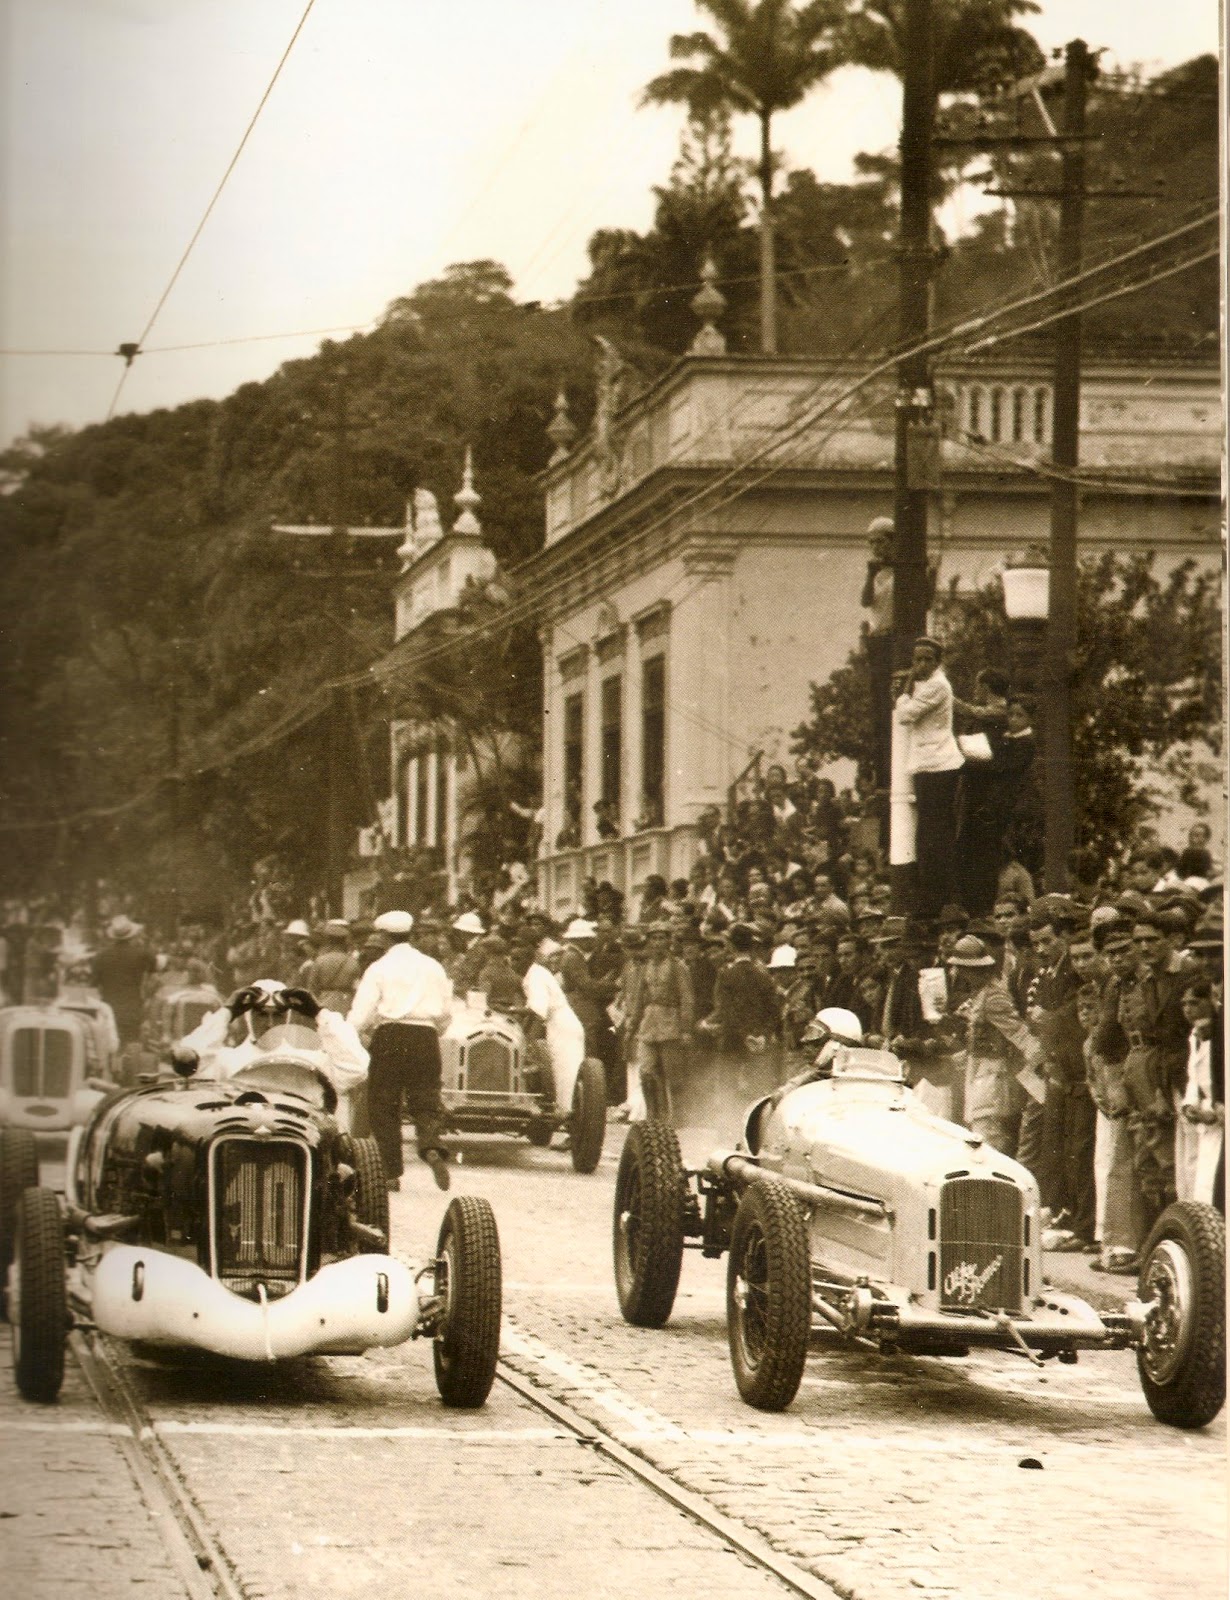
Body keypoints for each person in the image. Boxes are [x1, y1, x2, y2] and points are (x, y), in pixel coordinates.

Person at [347, 910, 454, 1192]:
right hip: (426, 1036)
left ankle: (390, 1171)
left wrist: (352, 1034)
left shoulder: (379, 968)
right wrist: (434, 1030)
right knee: (427, 1098)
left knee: (384, 1104)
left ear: (383, 937)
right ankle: (431, 1147)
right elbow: (445, 1012)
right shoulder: (433, 966)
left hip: (391, 1035)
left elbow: (360, 1015)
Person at [176, 978, 368, 1110]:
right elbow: (190, 1060)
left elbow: (355, 1069)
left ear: (288, 1016)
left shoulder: (308, 1062)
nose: (269, 1024)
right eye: (261, 1015)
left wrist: (320, 1013)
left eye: (278, 1015)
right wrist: (227, 1012)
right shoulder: (227, 1061)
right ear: (248, 1017)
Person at [893, 637, 964, 919]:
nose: (921, 665)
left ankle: (935, 897)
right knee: (929, 832)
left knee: (934, 833)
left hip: (938, 764)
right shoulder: (926, 684)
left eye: (927, 660)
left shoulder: (937, 684)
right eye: (917, 660)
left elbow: (906, 715)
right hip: (927, 763)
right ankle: (931, 895)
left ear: (937, 662)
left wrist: (902, 693)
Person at [947, 934, 1035, 1157]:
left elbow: (1019, 1034)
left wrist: (1036, 1063)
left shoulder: (994, 997)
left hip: (993, 1075)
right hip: (980, 1071)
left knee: (989, 1137)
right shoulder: (981, 994)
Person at [624, 922, 695, 1121]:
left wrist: (686, 1029)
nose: (657, 943)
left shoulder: (678, 966)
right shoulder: (645, 967)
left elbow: (687, 999)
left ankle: (678, 1116)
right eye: (654, 938)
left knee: (673, 1075)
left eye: (662, 938)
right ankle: (654, 1115)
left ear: (669, 941)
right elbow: (639, 998)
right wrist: (632, 1027)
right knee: (646, 1073)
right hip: (648, 1024)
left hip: (670, 1024)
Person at [92, 915, 156, 1048]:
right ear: (132, 935)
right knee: (131, 1046)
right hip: (132, 1007)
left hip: (108, 1008)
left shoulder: (100, 956)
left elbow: (93, 984)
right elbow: (153, 970)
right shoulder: (142, 954)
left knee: (107, 1046)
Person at [302, 919, 361, 1013]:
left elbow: (312, 987)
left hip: (324, 1001)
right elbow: (356, 989)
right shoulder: (353, 962)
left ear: (328, 940)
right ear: (344, 941)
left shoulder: (320, 961)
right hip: (346, 1003)